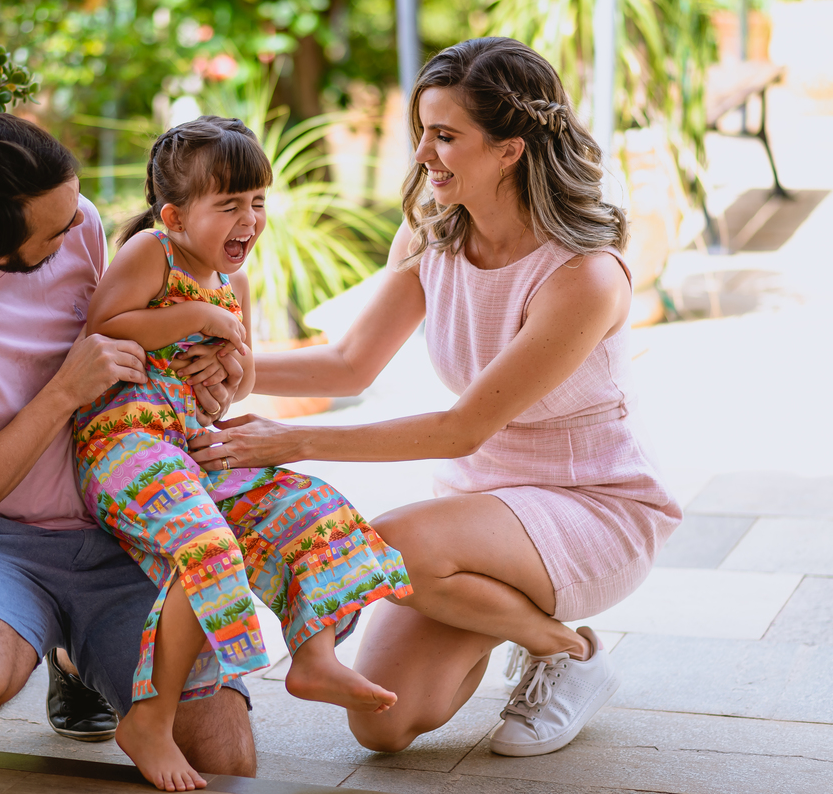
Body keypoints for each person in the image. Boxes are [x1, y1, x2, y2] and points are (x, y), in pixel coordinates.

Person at [187, 37, 682, 758]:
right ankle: (523, 621)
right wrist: (228, 363)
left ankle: (567, 653)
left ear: (510, 149)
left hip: (590, 503)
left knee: (385, 542)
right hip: (482, 508)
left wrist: (289, 440)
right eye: (423, 131)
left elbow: (461, 428)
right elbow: (350, 363)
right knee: (383, 721)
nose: (422, 153)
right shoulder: (431, 236)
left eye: (445, 135)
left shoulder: (584, 275)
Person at [0, 112, 256, 775]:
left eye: (74, 211)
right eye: (59, 228)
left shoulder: (81, 221)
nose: (80, 228)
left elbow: (139, 342)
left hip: (126, 520)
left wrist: (215, 370)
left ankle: (73, 658)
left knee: (221, 755)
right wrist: (63, 391)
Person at [75, 115, 412, 791]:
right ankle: (150, 718)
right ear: (174, 214)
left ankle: (312, 655)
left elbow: (241, 378)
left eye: (257, 201)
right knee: (209, 547)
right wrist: (196, 319)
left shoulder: (238, 284)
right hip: (127, 443)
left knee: (313, 506)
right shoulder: (152, 253)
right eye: (229, 204)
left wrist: (228, 365)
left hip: (192, 444)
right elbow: (102, 325)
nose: (250, 220)